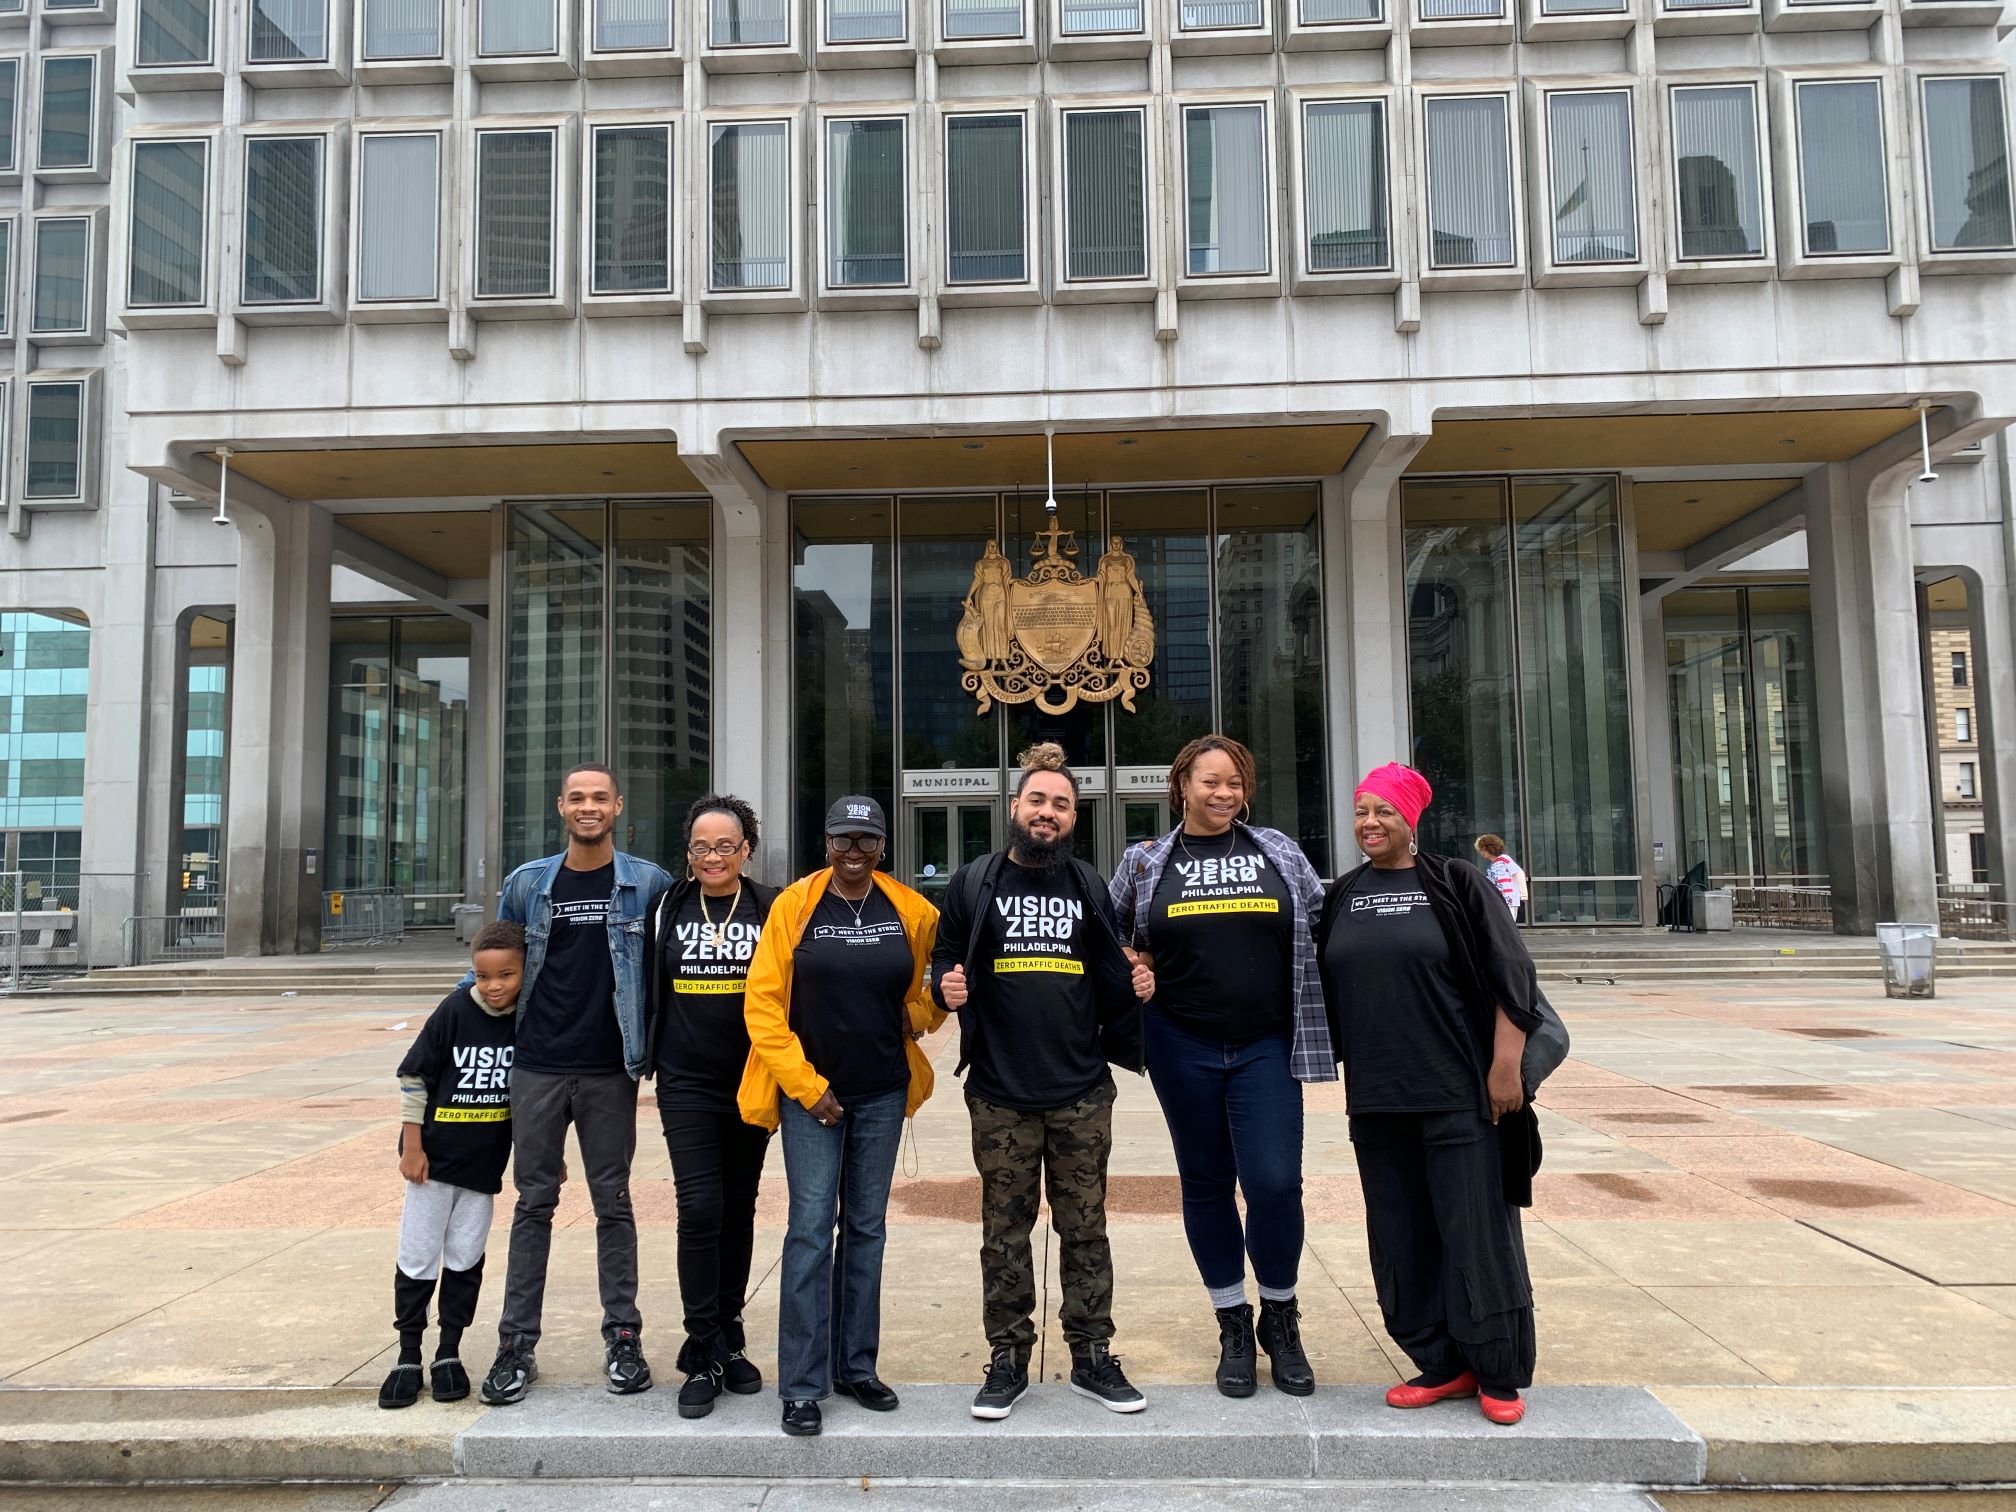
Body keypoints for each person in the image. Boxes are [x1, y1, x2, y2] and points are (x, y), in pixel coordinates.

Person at [932, 742, 1157, 1421]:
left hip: (1081, 1091)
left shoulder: (1087, 884)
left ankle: (1091, 1356)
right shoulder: (976, 881)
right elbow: (944, 958)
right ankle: (1007, 1358)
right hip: (1000, 1093)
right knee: (1005, 1232)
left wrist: (1138, 977)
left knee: (1086, 1230)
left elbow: (1114, 965)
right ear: (1014, 807)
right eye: (1037, 800)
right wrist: (942, 988)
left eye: (1061, 804)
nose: (1047, 812)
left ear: (1073, 816)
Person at [1108, 733, 1335, 1400]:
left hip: (1267, 1043)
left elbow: (1324, 926)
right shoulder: (1146, 860)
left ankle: (1281, 1318)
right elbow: (1110, 933)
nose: (1224, 793)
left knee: (1273, 1182)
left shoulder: (1281, 853)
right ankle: (1233, 1323)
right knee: (1205, 1183)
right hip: (1182, 1043)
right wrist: (1132, 963)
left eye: (1234, 782)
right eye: (1210, 781)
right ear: (1182, 785)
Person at [1317, 763, 1544, 1426]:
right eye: (1361, 811)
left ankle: (1495, 1368)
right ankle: (1441, 1363)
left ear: (1409, 818)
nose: (1370, 823)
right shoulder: (1345, 894)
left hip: (1457, 1093)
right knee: (1400, 1234)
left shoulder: (1453, 883)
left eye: (1384, 810)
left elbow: (1513, 977)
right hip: (1377, 1099)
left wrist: (1506, 1068)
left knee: (1474, 1231)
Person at [739, 795, 943, 1438]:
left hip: (883, 1091)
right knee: (807, 1232)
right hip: (813, 1101)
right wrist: (805, 1086)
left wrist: (921, 1015)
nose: (854, 853)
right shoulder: (794, 907)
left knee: (865, 1229)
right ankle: (801, 1384)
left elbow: (923, 998)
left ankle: (857, 1366)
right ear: (824, 842)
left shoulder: (911, 910)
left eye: (866, 841)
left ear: (883, 845)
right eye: (842, 840)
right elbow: (763, 1006)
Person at [478, 762, 672, 1406]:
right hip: (535, 1065)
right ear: (562, 807)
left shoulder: (649, 886)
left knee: (612, 1202)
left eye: (600, 798)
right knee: (534, 1203)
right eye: (577, 798)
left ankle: (622, 1336)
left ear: (618, 806)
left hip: (607, 1071)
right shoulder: (527, 885)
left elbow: (665, 977)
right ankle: (515, 1346)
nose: (589, 807)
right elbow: (494, 973)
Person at [644, 794, 778, 1420]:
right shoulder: (666, 905)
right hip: (687, 1082)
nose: (713, 856)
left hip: (752, 1082)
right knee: (700, 1208)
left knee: (738, 1209)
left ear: (746, 849)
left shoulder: (771, 906)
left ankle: (729, 1335)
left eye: (726, 846)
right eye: (701, 846)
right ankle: (700, 1349)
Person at [380, 921, 524, 1410]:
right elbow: (414, 1079)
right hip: (433, 1165)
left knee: (465, 1260)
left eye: (506, 974)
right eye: (484, 976)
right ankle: (407, 1354)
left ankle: (448, 1353)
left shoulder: (526, 1021)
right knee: (418, 1259)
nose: (495, 985)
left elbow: (530, 1100)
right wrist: (412, 1148)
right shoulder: (454, 1011)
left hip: (482, 1171)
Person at [1475, 835, 1527, 920]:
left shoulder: (1504, 859)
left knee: (1508, 922)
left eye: (1482, 849)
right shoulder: (1493, 865)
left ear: (1489, 848)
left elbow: (1519, 873)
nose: (1481, 852)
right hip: (1498, 899)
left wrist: (1523, 894)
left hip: (1508, 898)